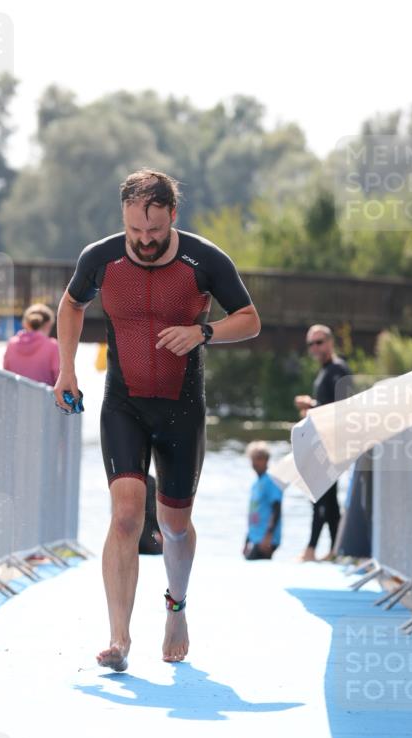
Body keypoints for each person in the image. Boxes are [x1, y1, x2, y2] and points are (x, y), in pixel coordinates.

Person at [54, 169, 261, 670]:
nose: (144, 242)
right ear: (123, 219)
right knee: (126, 515)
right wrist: (67, 369)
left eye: (155, 231)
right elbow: (71, 305)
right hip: (123, 403)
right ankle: (119, 638)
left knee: (172, 525)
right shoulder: (100, 258)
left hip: (181, 409)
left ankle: (176, 607)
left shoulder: (205, 260)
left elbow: (250, 320)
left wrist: (203, 332)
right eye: (134, 232)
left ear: (173, 216)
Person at [294, 324, 353, 562]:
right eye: (311, 344)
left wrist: (312, 407)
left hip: (332, 444)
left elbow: (342, 407)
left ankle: (315, 549)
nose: (315, 348)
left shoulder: (338, 369)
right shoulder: (326, 371)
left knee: (321, 495)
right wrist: (313, 408)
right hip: (322, 444)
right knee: (324, 498)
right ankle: (334, 549)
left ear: (330, 343)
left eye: (319, 342)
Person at [3, 304, 60, 386]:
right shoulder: (53, 346)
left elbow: (6, 373)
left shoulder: (11, 344)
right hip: (44, 398)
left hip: (15, 397)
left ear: (25, 323)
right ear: (48, 325)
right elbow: (59, 378)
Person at [243, 442, 282, 560]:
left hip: (266, 538)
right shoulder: (256, 484)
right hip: (255, 537)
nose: (256, 463)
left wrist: (269, 535)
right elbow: (254, 512)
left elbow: (276, 509)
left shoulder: (271, 481)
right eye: (253, 459)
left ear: (267, 460)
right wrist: (247, 541)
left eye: (259, 459)